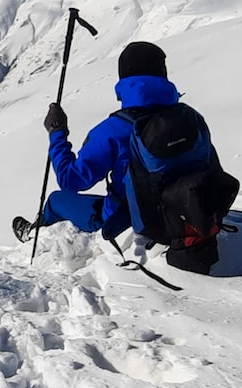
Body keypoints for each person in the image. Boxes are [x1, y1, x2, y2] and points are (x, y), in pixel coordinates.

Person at [13, 41, 187, 243]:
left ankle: (35, 236)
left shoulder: (114, 130)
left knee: (56, 200)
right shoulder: (190, 118)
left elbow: (71, 180)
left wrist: (56, 133)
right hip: (180, 210)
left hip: (125, 219)